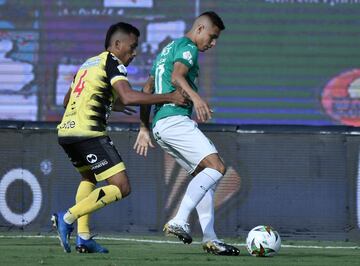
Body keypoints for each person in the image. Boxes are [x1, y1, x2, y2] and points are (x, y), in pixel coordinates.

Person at [52, 22, 187, 254]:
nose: (134, 53)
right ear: (117, 44)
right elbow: (128, 95)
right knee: (121, 187)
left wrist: (110, 103)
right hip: (88, 133)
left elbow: (67, 101)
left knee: (89, 178)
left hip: (66, 132)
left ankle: (83, 238)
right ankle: (67, 218)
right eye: (132, 47)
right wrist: (169, 97)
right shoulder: (111, 61)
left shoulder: (87, 64)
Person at [133, 11, 240, 256]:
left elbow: (147, 88)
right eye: (212, 37)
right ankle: (179, 219)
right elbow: (177, 76)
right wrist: (197, 98)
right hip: (174, 120)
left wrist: (144, 127)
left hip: (162, 126)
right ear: (200, 28)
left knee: (205, 177)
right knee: (217, 167)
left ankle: (211, 238)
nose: (212, 44)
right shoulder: (188, 47)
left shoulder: (165, 52)